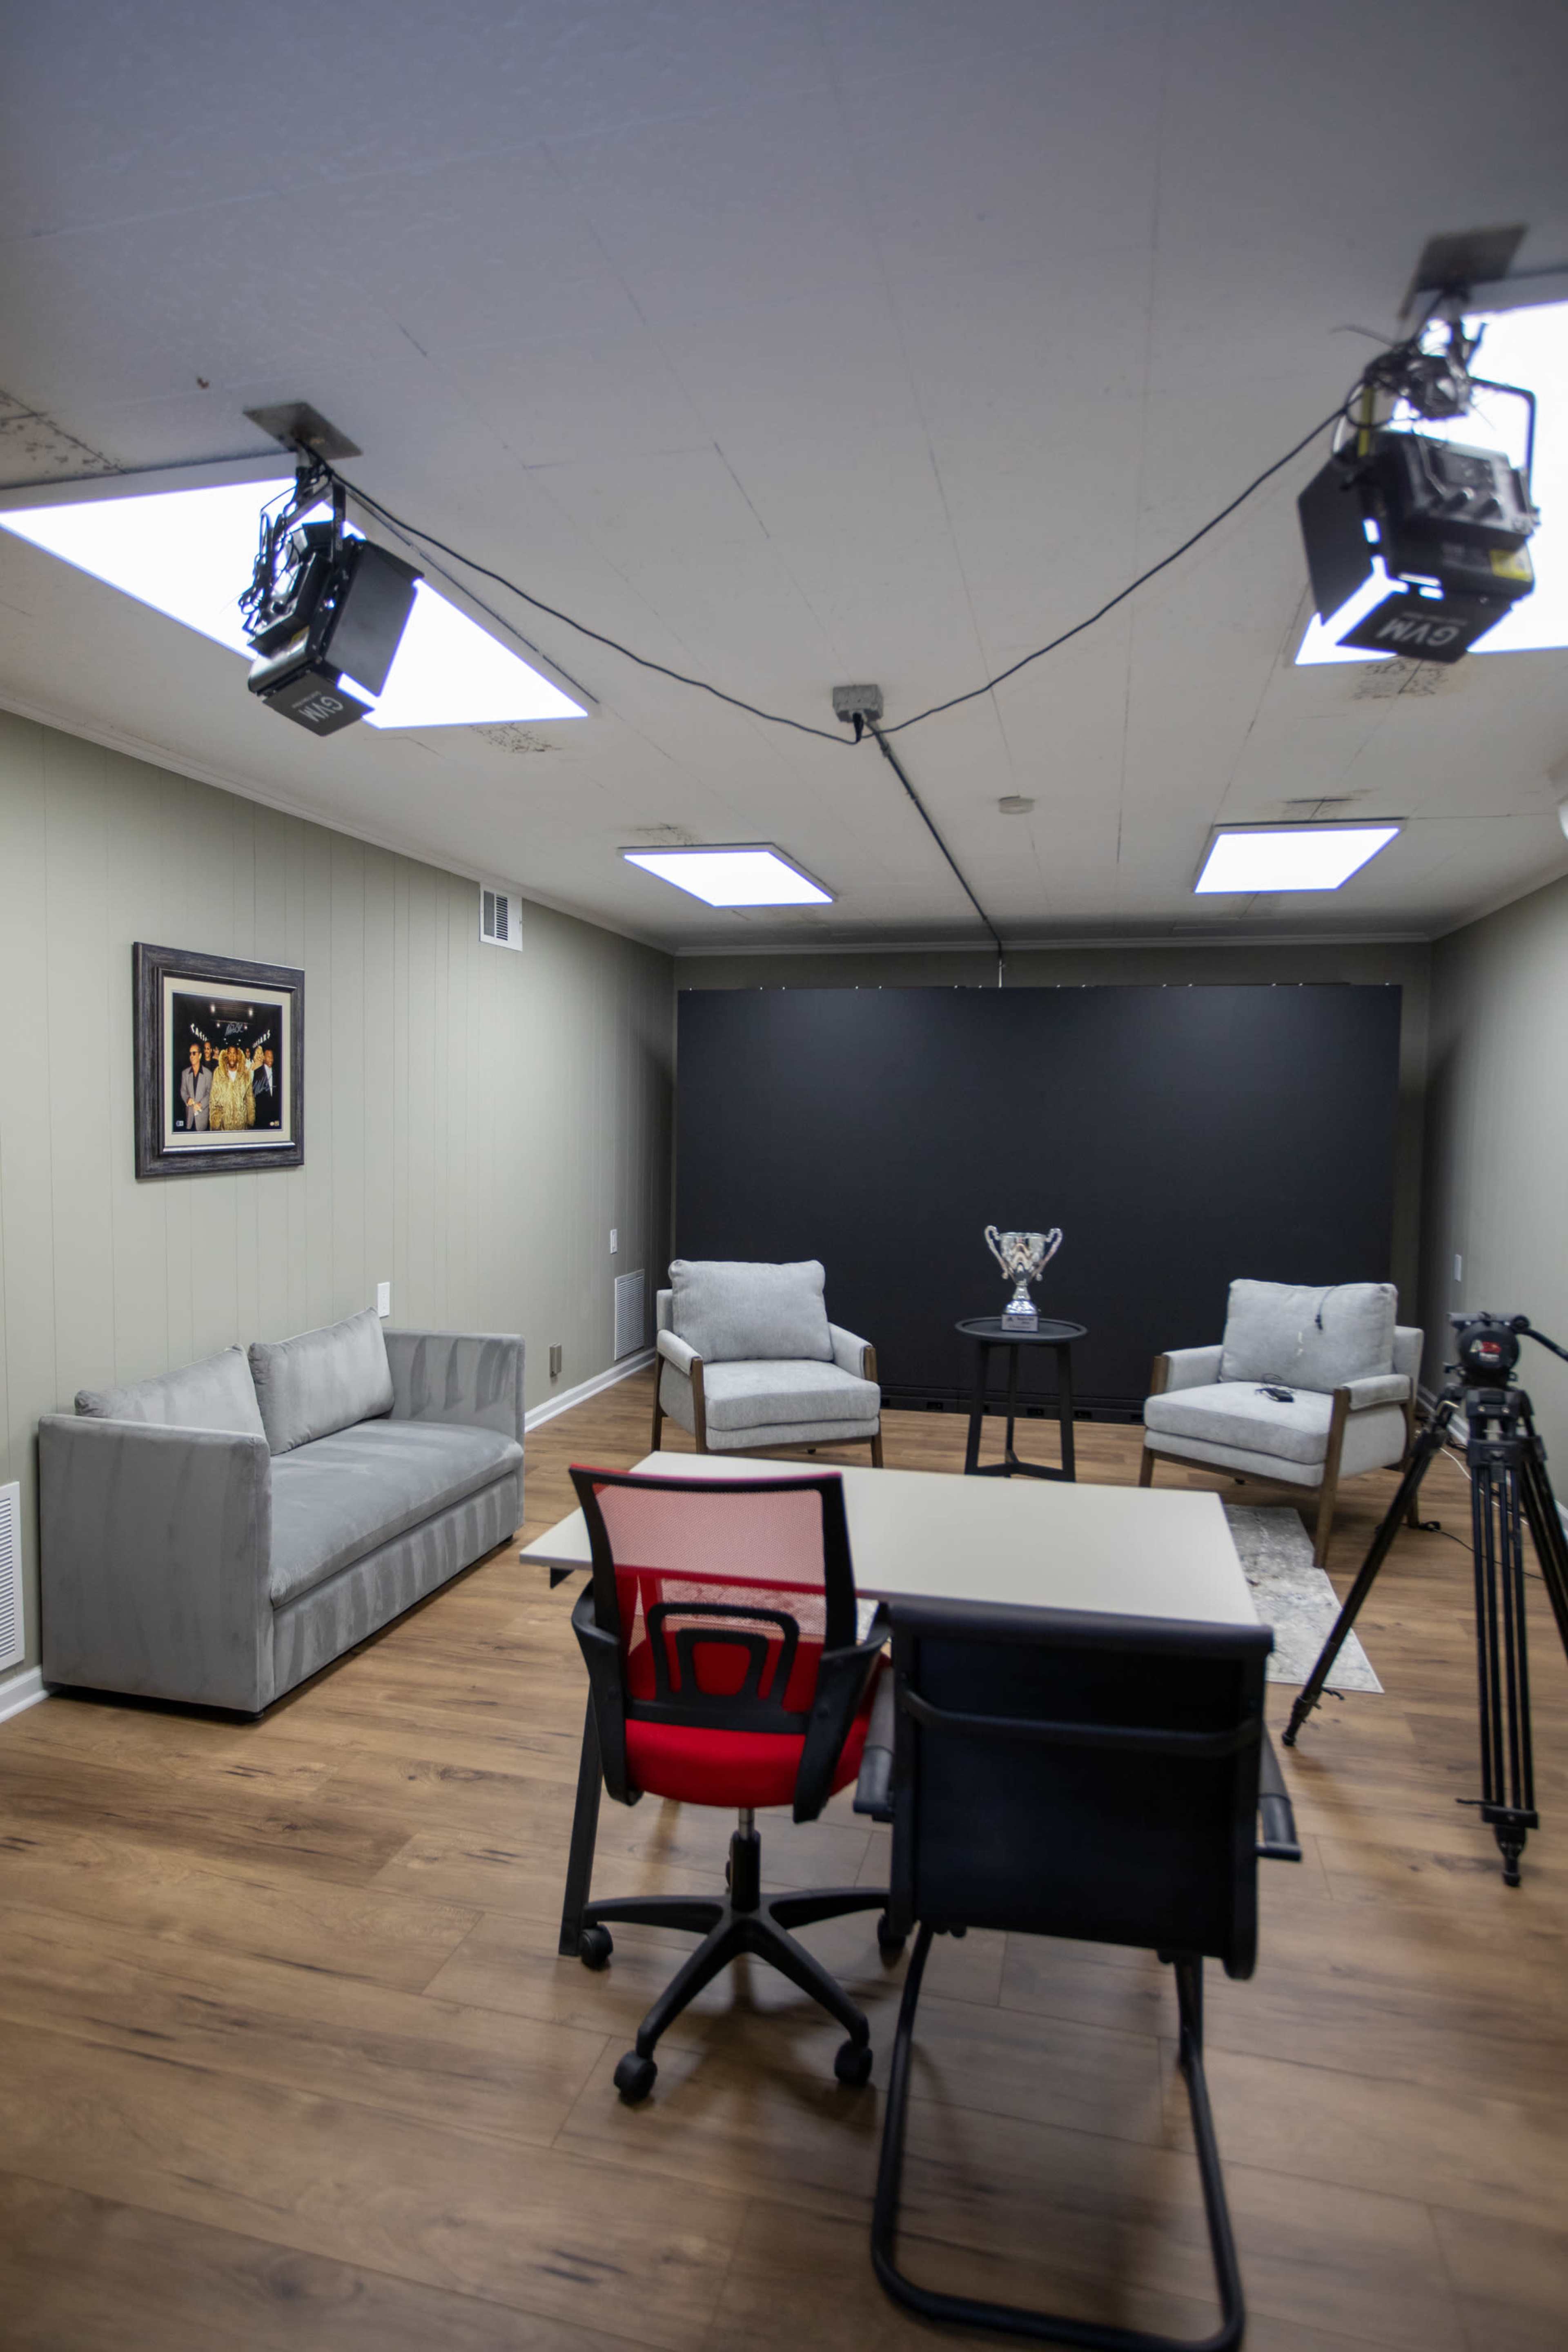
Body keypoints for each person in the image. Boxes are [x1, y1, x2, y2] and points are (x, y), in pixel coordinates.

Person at [208, 1042, 256, 1131]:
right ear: (226, 1056)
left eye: (235, 1054)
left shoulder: (245, 1074)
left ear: (238, 1056)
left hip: (241, 1125)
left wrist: (250, 1119)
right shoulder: (219, 1073)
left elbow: (250, 1098)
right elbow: (214, 1100)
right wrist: (215, 1122)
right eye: (230, 1054)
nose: (232, 1057)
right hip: (224, 1126)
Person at [178, 1041, 210, 1131]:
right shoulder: (185, 1073)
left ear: (200, 1056)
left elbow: (210, 1093)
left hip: (202, 1119)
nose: (191, 1056)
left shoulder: (208, 1074)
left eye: (194, 1053)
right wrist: (187, 1099)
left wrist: (201, 1104)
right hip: (190, 1118)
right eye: (190, 1054)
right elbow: (183, 1091)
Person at [252, 1044, 281, 1129]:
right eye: (268, 1057)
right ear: (264, 1058)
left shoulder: (277, 1072)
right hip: (262, 1115)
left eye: (272, 1057)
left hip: (275, 1114)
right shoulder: (257, 1073)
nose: (271, 1059)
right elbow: (255, 1095)